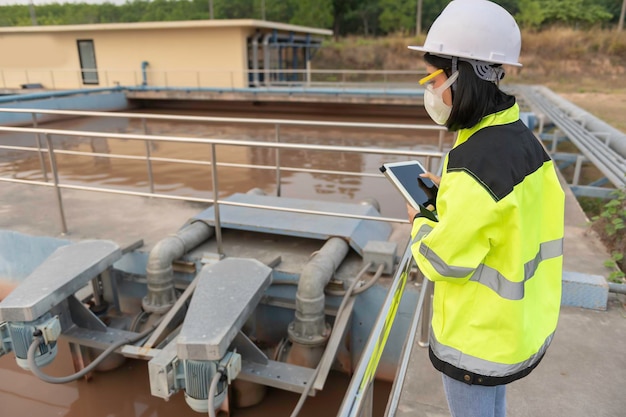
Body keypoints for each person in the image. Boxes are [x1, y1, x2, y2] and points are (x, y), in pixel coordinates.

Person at [406, 1, 565, 416]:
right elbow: (507, 214)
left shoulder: (474, 163)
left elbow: (442, 259)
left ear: (464, 77)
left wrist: (421, 220)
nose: (430, 89)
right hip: (518, 326)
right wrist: (452, 195)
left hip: (477, 339)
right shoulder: (520, 137)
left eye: (434, 77)